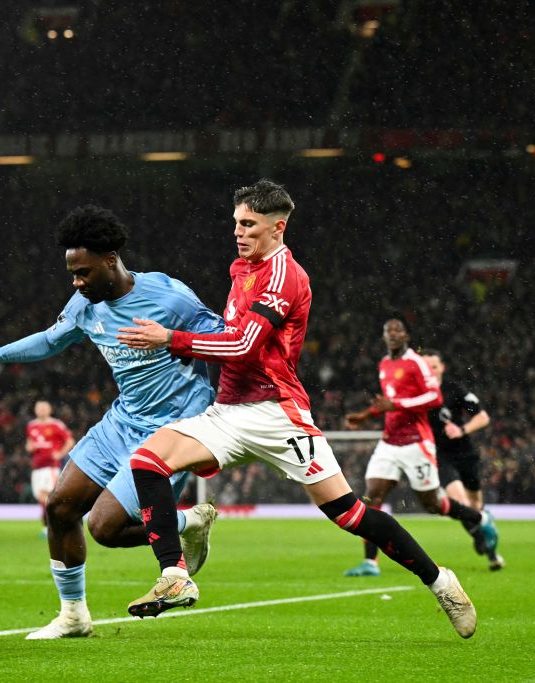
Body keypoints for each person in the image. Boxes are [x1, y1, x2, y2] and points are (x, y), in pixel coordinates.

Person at [117, 179, 477, 638]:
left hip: (276, 413)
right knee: (147, 462)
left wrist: (173, 339)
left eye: (249, 225)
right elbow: (231, 336)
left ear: (278, 227)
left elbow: (244, 345)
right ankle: (174, 575)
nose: (238, 232)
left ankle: (440, 581)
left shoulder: (286, 276)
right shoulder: (242, 268)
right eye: (236, 223)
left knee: (349, 513)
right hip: (228, 411)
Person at [0, 204, 223, 640]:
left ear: (110, 260)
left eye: (83, 273)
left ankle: (186, 523)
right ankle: (73, 615)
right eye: (72, 274)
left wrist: (212, 400)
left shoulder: (169, 297)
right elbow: (50, 340)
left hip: (171, 431)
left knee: (105, 527)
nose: (77, 283)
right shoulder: (85, 304)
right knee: (59, 507)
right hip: (122, 421)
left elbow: (224, 339)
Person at [342, 319, 497, 578]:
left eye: (398, 331)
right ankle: (370, 562)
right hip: (389, 441)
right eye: (388, 331)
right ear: (384, 336)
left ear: (406, 335)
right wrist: (365, 415)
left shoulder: (416, 362)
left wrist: (397, 405)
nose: (393, 335)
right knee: (372, 497)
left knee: (433, 504)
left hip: (416, 442)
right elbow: (389, 402)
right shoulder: (384, 364)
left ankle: (480, 518)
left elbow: (434, 396)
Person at [421, 349, 503, 570]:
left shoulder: (454, 389)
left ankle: (488, 544)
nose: (430, 370)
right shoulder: (417, 392)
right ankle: (483, 539)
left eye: (434, 366)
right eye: (425, 366)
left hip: (464, 453)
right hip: (439, 455)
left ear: (442, 368)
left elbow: (483, 417)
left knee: (475, 504)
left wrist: (462, 430)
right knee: (459, 500)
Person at [26, 400, 75, 536]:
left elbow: (70, 441)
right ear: (35, 410)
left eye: (44, 408)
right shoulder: (31, 426)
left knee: (47, 496)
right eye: (39, 408)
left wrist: (60, 454)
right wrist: (29, 447)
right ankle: (51, 525)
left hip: (51, 467)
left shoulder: (56, 425)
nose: (41, 410)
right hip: (37, 466)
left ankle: (54, 525)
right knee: (40, 497)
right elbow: (29, 442)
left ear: (49, 410)